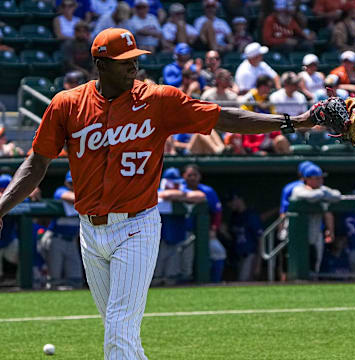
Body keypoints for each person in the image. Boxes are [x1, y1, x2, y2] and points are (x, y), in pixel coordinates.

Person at [0, 27, 320, 359]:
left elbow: (223, 117)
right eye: (124, 61)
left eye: (135, 59)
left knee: (119, 330)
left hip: (136, 226)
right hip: (89, 231)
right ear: (101, 64)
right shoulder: (67, 105)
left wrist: (292, 122)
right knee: (118, 331)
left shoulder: (158, 100)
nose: (133, 67)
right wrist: (1, 207)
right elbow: (36, 162)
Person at [154, 167, 206, 285]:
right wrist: (172, 195)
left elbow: (201, 196)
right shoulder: (156, 190)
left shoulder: (185, 190)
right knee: (156, 276)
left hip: (179, 236)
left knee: (174, 276)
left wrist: (180, 196)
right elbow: (164, 194)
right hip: (159, 237)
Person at [290, 164, 341, 273]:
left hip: (315, 232)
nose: (320, 180)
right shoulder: (298, 189)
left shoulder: (322, 189)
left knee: (315, 265)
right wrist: (324, 193)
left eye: (321, 177)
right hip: (296, 235)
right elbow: (312, 197)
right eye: (317, 178)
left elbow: (337, 195)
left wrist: (323, 192)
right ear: (307, 179)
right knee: (295, 267)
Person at [38, 171, 83, 289]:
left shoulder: (83, 195)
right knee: (54, 280)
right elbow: (70, 197)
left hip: (72, 241)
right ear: (66, 183)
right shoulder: (60, 190)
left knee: (76, 279)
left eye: (75, 182)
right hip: (56, 239)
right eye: (70, 183)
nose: (73, 186)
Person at [181, 164, 223, 282]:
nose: (193, 178)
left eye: (195, 175)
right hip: (183, 232)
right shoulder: (178, 189)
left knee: (219, 252)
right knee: (184, 263)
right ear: (183, 176)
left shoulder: (208, 191)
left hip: (204, 232)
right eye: (189, 175)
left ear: (200, 176)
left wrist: (214, 229)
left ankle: (215, 283)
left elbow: (217, 212)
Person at [240, 75, 291, 155]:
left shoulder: (268, 98)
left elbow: (274, 116)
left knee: (281, 140)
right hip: (253, 135)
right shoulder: (250, 97)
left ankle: (289, 165)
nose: (269, 89)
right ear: (262, 86)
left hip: (267, 132)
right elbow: (244, 117)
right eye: (268, 86)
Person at [223, 191, 263, 281]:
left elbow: (260, 239)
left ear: (240, 200)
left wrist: (258, 264)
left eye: (232, 201)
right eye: (228, 202)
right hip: (237, 257)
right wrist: (224, 232)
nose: (230, 204)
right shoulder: (234, 216)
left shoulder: (251, 215)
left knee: (243, 282)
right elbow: (233, 238)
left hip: (250, 256)